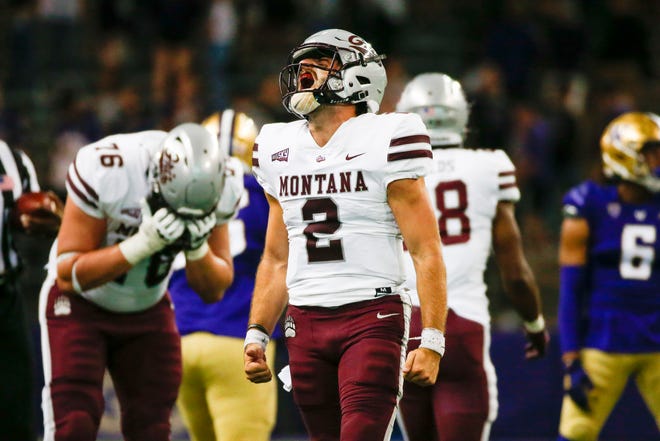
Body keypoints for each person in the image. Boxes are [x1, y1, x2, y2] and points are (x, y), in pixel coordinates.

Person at [242, 29, 448, 441]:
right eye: (302, 62)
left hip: (371, 315)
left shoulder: (387, 136)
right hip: (303, 320)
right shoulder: (277, 147)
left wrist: (433, 340)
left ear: (356, 77)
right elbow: (276, 257)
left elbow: (426, 250)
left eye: (319, 62)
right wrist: (256, 332)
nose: (303, 71)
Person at [39, 122, 243, 440]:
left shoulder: (226, 180)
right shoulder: (110, 168)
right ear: (158, 179)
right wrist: (140, 244)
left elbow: (214, 288)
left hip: (148, 303)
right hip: (83, 305)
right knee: (75, 423)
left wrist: (197, 247)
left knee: (152, 427)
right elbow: (67, 274)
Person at [394, 73, 549, 441]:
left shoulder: (390, 166)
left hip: (402, 325)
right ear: (461, 117)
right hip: (461, 326)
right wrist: (535, 323)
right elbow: (513, 268)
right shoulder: (491, 165)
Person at [169, 110, 280, 441]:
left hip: (179, 339)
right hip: (239, 338)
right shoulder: (264, 192)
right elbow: (281, 260)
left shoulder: (178, 187)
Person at [557, 111, 660, 441]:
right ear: (626, 154)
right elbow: (571, 288)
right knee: (576, 432)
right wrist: (571, 359)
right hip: (604, 340)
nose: (658, 161)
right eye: (653, 153)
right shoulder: (590, 205)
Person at [0, 138, 62, 441]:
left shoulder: (12, 160)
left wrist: (39, 220)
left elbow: (29, 215)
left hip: (4, 297)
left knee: (15, 413)